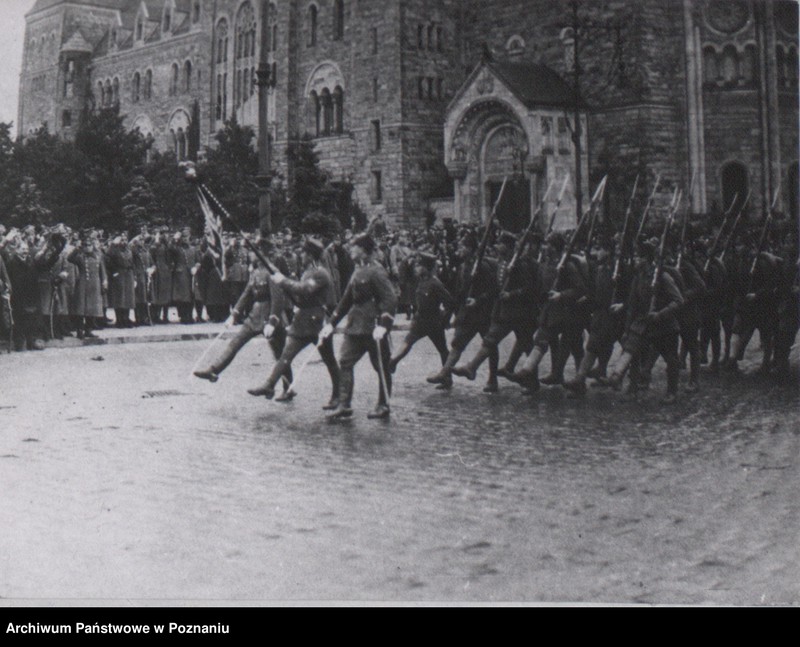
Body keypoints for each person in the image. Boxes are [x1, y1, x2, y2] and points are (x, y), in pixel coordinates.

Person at [247, 237, 341, 408]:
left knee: (329, 360)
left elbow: (304, 289)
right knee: (286, 355)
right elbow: (298, 294)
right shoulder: (307, 272)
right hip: (302, 321)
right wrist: (284, 285)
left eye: (303, 253)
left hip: (317, 322)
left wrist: (282, 281)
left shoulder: (320, 273)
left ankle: (338, 395)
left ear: (310, 255)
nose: (301, 256)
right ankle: (269, 385)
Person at [193, 239, 291, 395]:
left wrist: (273, 321)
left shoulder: (271, 271)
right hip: (255, 315)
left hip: (270, 316)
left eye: (252, 251)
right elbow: (246, 294)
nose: (250, 254)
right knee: (235, 342)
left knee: (280, 353)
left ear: (260, 253)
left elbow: (278, 299)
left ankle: (288, 387)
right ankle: (214, 370)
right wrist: (234, 314)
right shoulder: (255, 271)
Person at [322, 232, 398, 420]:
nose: (350, 250)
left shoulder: (376, 271)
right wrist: (331, 324)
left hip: (373, 328)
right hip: (355, 326)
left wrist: (385, 324)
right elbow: (346, 300)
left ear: (364, 250)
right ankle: (344, 405)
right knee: (346, 361)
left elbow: (390, 298)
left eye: (354, 247)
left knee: (380, 366)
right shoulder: (358, 270)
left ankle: (383, 404)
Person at [452, 231, 538, 393]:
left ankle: (532, 382)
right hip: (503, 312)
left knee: (527, 346)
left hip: (520, 313)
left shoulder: (520, 263)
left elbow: (529, 288)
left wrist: (511, 294)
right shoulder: (500, 262)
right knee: (490, 340)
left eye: (500, 243)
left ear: (508, 246)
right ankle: (472, 367)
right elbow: (494, 283)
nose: (497, 246)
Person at [605, 238, 685, 404]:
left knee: (670, 358)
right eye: (635, 256)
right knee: (633, 352)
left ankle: (672, 392)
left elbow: (678, 300)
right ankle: (632, 387)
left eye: (639, 257)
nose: (635, 260)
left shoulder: (662, 276)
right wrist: (627, 324)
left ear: (647, 259)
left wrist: (660, 314)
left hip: (664, 324)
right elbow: (633, 304)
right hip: (644, 323)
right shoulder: (638, 278)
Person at [426, 231, 498, 391]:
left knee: (490, 345)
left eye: (463, 246)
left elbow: (493, 289)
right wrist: (452, 313)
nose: (460, 249)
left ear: (472, 249)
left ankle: (493, 380)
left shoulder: (483, 266)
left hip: (483, 313)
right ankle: (444, 373)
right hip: (467, 314)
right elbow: (459, 292)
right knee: (457, 345)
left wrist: (478, 300)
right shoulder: (463, 267)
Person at [388, 251, 455, 378]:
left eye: (419, 265)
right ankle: (393, 362)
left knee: (442, 350)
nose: (416, 268)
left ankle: (447, 378)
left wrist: (445, 320)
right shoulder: (421, 280)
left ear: (426, 268)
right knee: (408, 342)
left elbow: (450, 303)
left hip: (434, 322)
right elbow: (406, 269)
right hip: (420, 320)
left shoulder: (435, 283)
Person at [67, 231, 108, 340]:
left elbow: (102, 270)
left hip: (95, 285)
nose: (87, 247)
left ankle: (89, 330)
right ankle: (80, 330)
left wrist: (104, 281)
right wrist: (77, 249)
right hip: (82, 284)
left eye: (89, 245)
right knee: (81, 309)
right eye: (85, 245)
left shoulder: (98, 256)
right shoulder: (80, 257)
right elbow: (69, 258)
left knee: (92, 308)